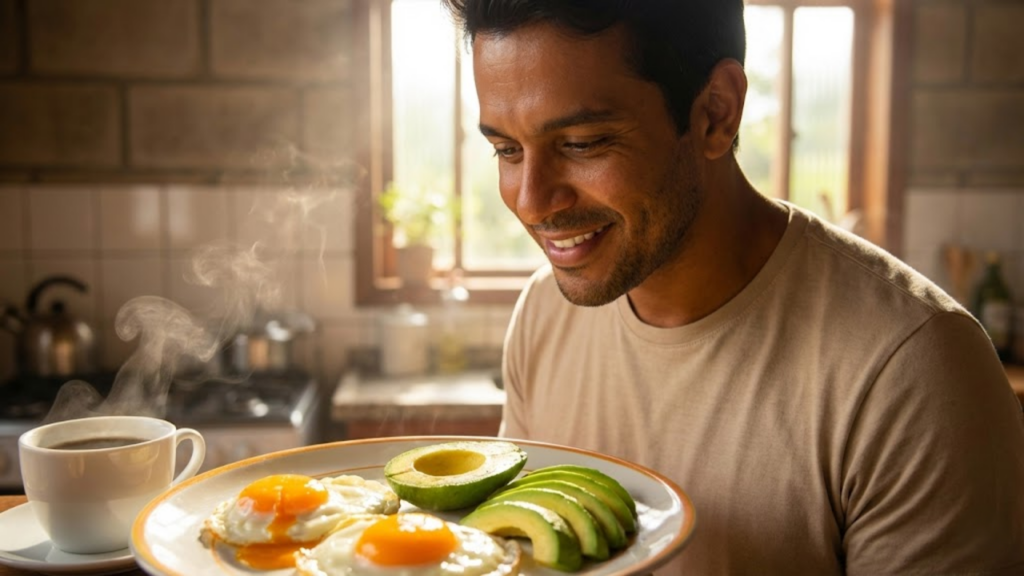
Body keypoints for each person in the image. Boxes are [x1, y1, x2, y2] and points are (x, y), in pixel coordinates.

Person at [439, 0, 1024, 574]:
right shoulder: (545, 312)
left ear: (716, 112)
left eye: (583, 143)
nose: (530, 200)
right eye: (506, 150)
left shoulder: (916, 368)